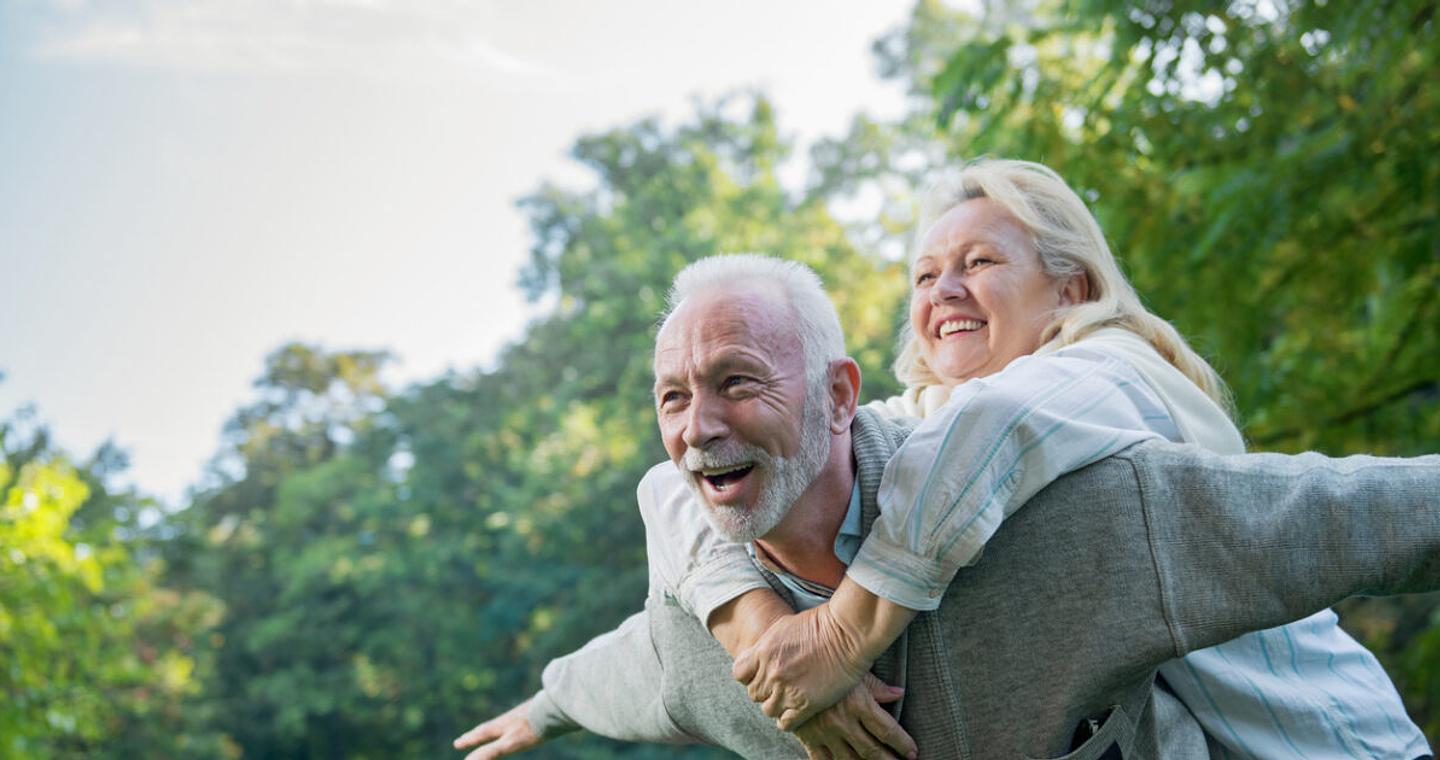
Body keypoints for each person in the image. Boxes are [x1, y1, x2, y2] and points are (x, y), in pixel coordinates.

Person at [455, 254, 1440, 759]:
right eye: (673, 396)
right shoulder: (705, 629)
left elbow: (1340, 513)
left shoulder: (1069, 519)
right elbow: (627, 667)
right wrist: (547, 701)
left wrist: (845, 636)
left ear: (841, 395)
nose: (698, 425)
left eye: (737, 380)